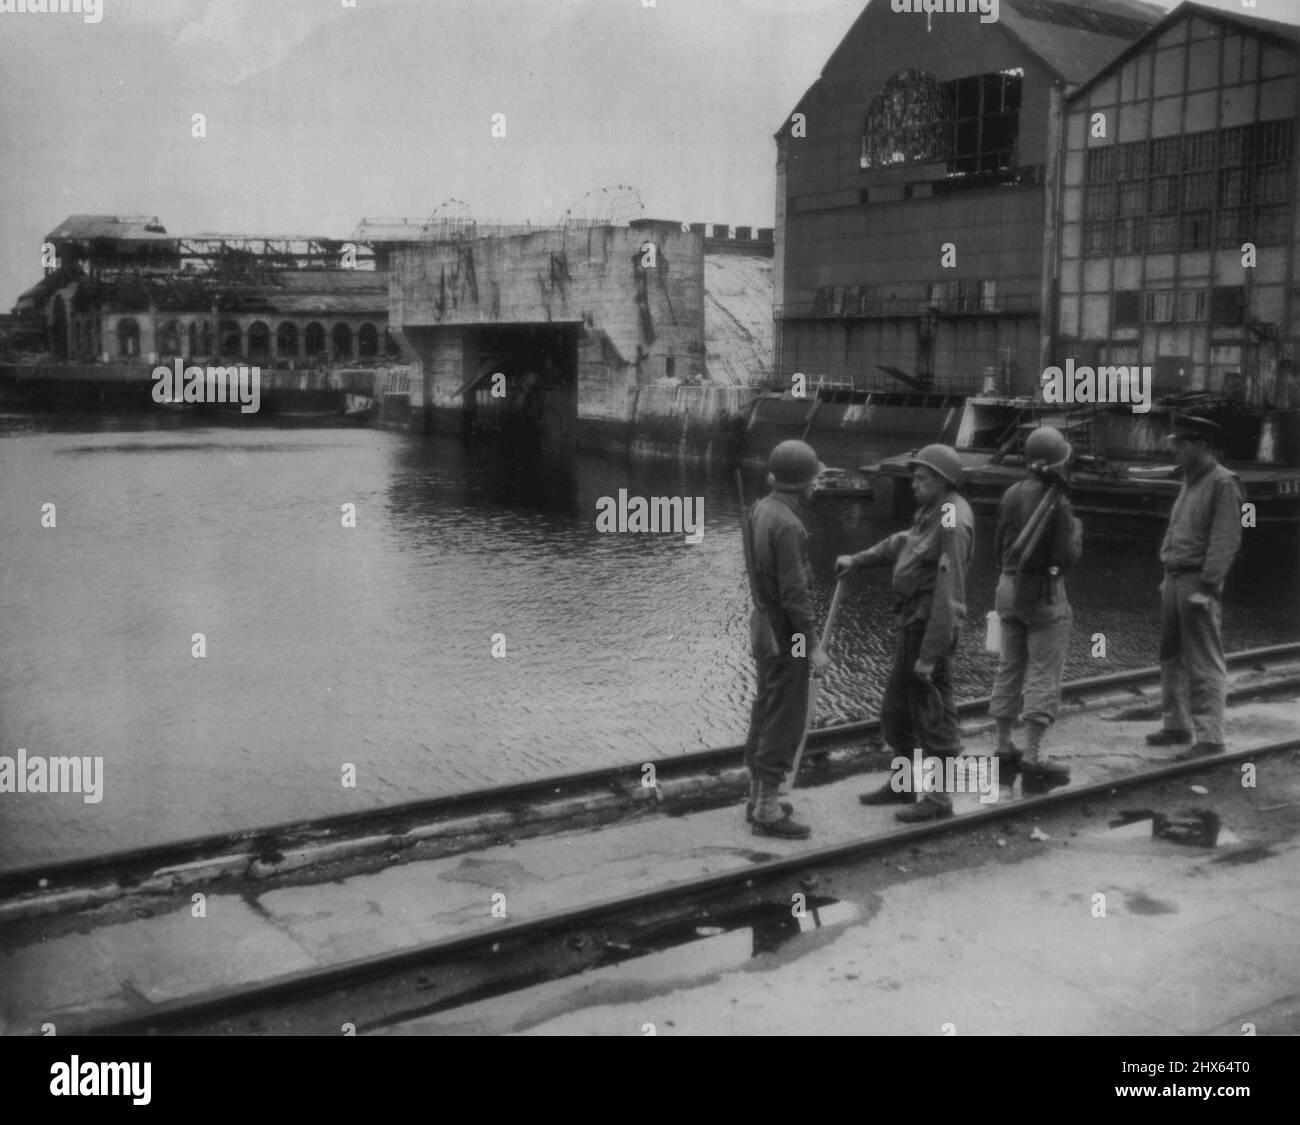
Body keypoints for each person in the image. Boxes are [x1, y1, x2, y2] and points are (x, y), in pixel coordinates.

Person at [835, 444, 973, 822]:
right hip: (912, 625)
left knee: (935, 719)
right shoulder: (932, 512)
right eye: (914, 476)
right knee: (896, 713)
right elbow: (903, 544)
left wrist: (931, 653)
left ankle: (940, 800)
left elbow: (950, 594)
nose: (913, 483)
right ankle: (904, 784)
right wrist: (860, 560)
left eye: (922, 477)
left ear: (944, 482)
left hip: (929, 631)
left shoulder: (954, 523)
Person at [742, 439, 830, 839]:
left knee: (766, 705)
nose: (817, 486)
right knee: (786, 714)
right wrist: (812, 645)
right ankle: (767, 809)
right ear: (801, 483)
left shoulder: (760, 509)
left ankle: (758, 796)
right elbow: (796, 593)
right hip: (788, 631)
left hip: (765, 625)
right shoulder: (789, 525)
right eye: (814, 479)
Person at [988, 426, 1083, 790]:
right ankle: (1034, 753)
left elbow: (999, 542)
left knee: (1008, 667)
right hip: (1043, 593)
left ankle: (1002, 744)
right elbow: (1065, 556)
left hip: (1007, 587)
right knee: (1044, 671)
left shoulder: (1011, 493)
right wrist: (1077, 533)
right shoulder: (1058, 501)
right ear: (1062, 459)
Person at [1146, 415, 1244, 759]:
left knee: (1203, 659)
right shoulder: (1191, 479)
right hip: (1174, 578)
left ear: (1201, 446)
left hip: (1196, 581)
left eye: (1181, 445)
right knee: (1170, 655)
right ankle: (1176, 724)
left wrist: (1208, 585)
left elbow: (1226, 539)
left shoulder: (1223, 484)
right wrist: (1167, 576)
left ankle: (1210, 737)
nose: (1175, 451)